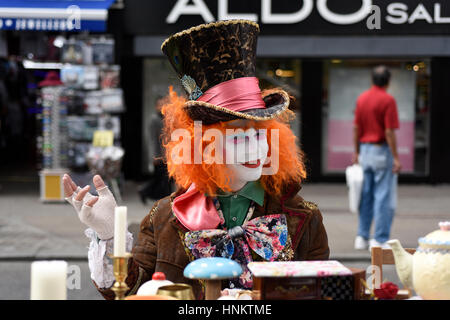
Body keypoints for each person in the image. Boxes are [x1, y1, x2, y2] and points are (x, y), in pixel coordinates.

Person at [63, 20, 329, 300]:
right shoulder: (165, 216)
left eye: (259, 135)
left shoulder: (304, 218)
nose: (255, 150)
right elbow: (130, 291)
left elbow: (322, 294)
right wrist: (108, 235)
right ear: (203, 147)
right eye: (238, 138)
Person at [352, 65, 401, 251]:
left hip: (365, 150)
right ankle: (379, 239)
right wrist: (396, 157)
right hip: (381, 150)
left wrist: (356, 151)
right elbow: (389, 131)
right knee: (383, 196)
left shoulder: (362, 98)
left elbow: (356, 128)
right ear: (388, 81)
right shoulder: (388, 100)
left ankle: (362, 236)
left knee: (366, 195)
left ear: (372, 80)